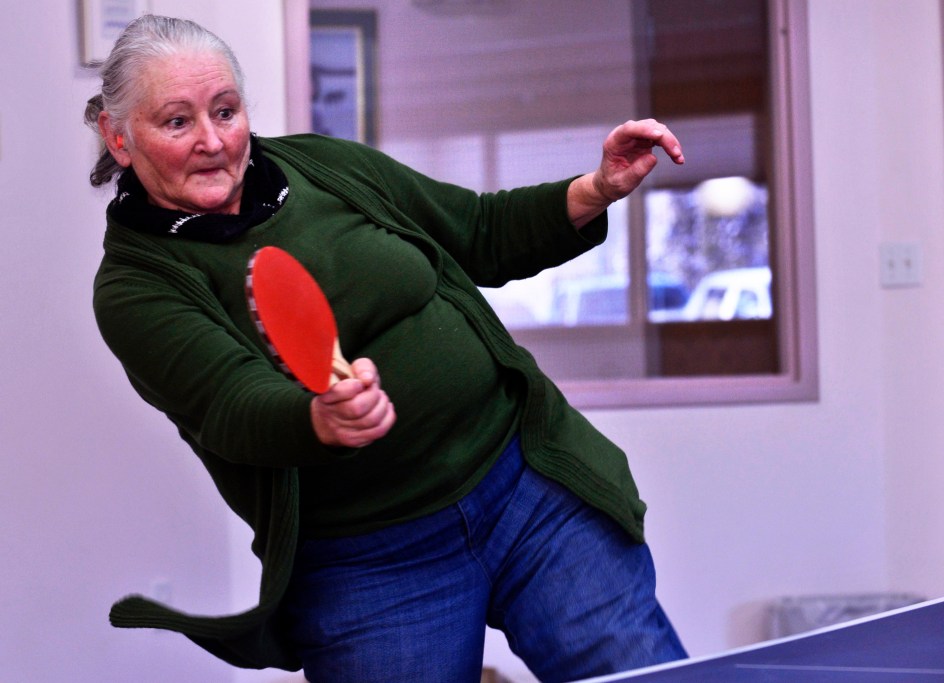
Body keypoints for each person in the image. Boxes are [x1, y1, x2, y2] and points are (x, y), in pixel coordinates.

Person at [85, 14, 687, 683]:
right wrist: (320, 418)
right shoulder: (135, 286)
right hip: (372, 560)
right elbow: (231, 406)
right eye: (176, 122)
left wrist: (596, 187)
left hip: (526, 489)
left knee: (644, 671)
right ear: (120, 136)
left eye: (225, 111)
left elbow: (477, 229)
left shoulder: (320, 166)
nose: (212, 140)